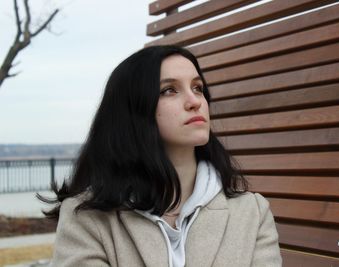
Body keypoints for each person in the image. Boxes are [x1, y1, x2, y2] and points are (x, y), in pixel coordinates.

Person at [43, 45, 282, 267]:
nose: (194, 101)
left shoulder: (252, 211)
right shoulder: (86, 217)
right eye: (170, 90)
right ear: (132, 110)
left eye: (198, 88)